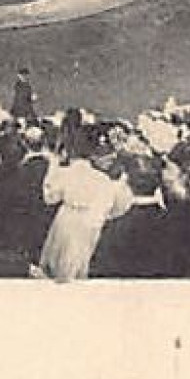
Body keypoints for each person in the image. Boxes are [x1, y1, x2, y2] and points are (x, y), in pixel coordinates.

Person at [38, 119, 132, 282]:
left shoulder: (66, 173)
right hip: (92, 222)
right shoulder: (104, 180)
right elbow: (116, 207)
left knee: (59, 268)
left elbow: (50, 198)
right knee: (81, 265)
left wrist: (52, 169)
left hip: (66, 221)